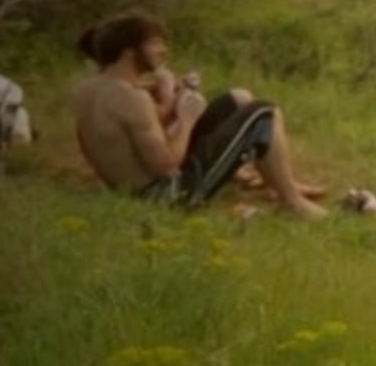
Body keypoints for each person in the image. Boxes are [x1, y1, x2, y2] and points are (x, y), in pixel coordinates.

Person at [70, 11, 332, 218]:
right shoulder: (132, 99)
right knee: (264, 112)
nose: (163, 50)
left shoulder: (88, 90)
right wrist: (187, 119)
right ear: (129, 51)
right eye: (154, 43)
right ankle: (292, 202)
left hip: (133, 189)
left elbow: (126, 135)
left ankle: (281, 183)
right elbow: (166, 167)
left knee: (237, 99)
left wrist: (169, 94)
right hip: (170, 196)